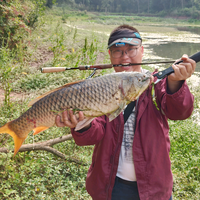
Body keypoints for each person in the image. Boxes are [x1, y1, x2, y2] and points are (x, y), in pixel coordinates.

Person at [55, 24, 196, 200]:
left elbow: (180, 112)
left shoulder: (158, 82)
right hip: (111, 185)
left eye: (131, 49)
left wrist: (176, 83)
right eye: (118, 51)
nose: (125, 56)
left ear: (142, 51)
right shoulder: (101, 88)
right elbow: (93, 135)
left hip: (154, 185)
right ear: (110, 56)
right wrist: (82, 125)